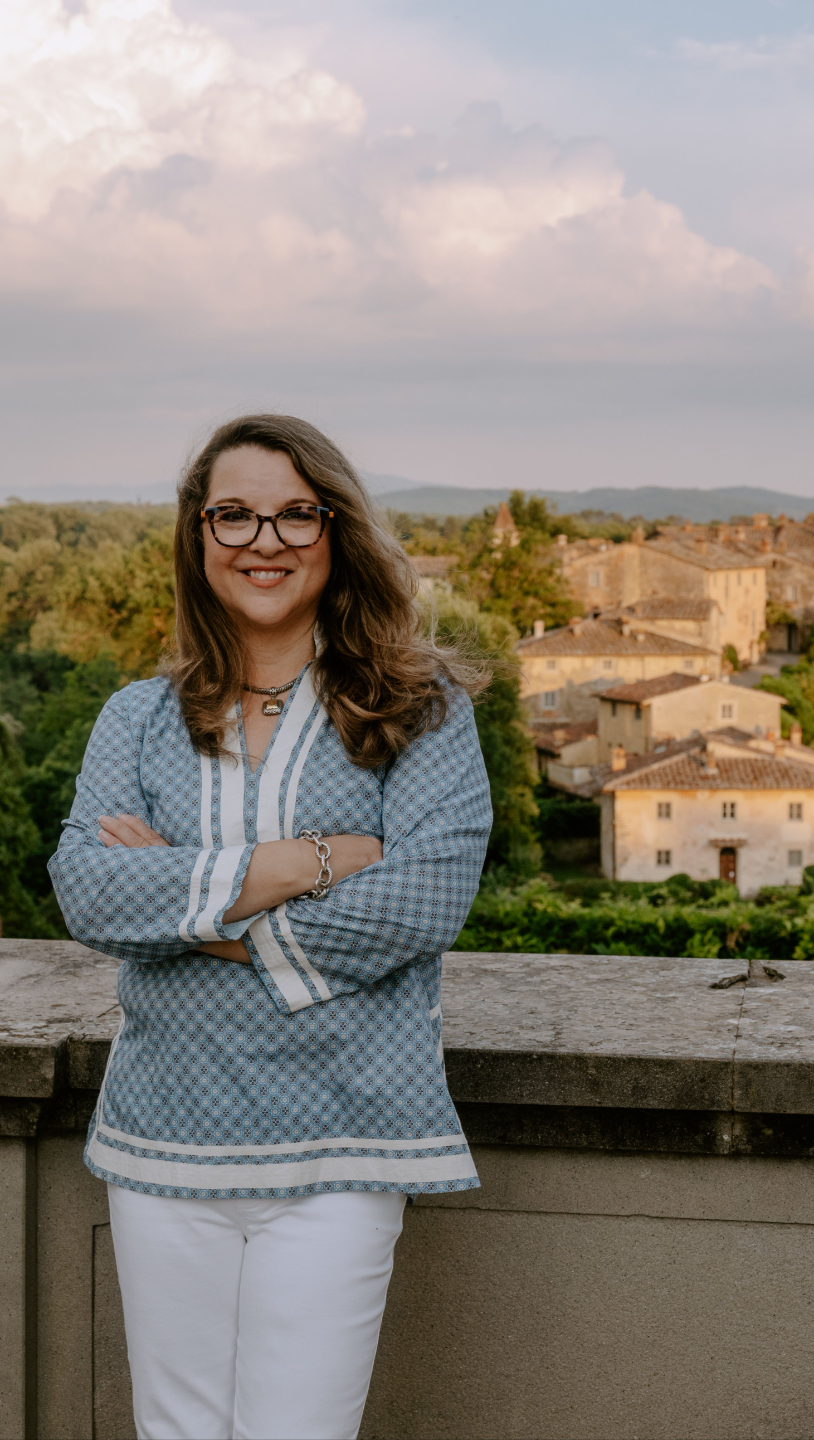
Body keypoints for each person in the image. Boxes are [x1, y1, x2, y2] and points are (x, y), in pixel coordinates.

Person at [49, 414, 492, 1440]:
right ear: (198, 534)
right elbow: (90, 891)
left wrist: (184, 904)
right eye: (234, 515)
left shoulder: (419, 708)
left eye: (296, 514)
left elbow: (424, 900)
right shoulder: (136, 717)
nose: (265, 541)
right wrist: (310, 861)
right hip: (164, 1138)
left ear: (336, 529)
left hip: (345, 1141)